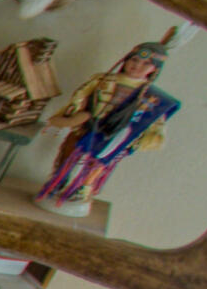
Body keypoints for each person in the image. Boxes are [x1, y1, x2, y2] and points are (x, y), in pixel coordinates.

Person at [34, 36, 178, 214]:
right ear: (126, 59)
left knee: (96, 165)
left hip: (112, 138)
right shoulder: (102, 80)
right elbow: (81, 97)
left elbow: (152, 122)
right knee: (68, 154)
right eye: (134, 59)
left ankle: (82, 191)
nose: (137, 66)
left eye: (145, 63)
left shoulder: (151, 97)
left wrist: (138, 139)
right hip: (87, 128)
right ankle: (58, 183)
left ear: (154, 69)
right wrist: (74, 117)